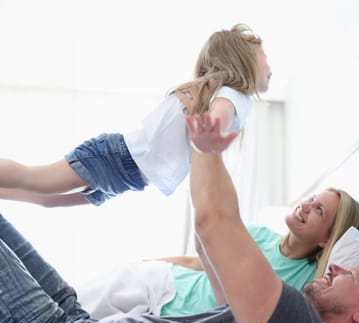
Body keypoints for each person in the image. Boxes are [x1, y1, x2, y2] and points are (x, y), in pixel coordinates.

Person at [0, 112, 359, 323]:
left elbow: (215, 220)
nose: (339, 268)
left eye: (352, 274)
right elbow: (212, 253)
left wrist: (205, 146)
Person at [0, 23, 272, 207]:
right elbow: (219, 114)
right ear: (244, 59)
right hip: (119, 160)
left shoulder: (220, 92)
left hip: (127, 175)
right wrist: (212, 135)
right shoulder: (235, 94)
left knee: (46, 198)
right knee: (37, 181)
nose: (270, 66)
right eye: (265, 56)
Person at [79, 186, 359, 319]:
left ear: (326, 240)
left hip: (173, 322)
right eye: (311, 198)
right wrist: (150, 262)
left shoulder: (309, 285)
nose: (305, 206)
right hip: (164, 285)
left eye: (318, 210)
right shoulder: (257, 234)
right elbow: (198, 263)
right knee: (71, 308)